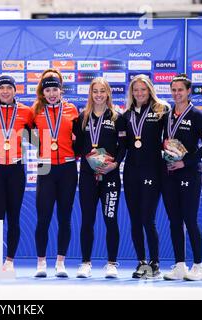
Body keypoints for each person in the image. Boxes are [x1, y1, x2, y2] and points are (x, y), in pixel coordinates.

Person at [161, 74, 202, 281]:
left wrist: (186, 162)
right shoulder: (167, 116)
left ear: (188, 91)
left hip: (190, 173)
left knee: (190, 220)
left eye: (180, 90)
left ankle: (198, 266)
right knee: (174, 221)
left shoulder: (197, 115)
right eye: (173, 90)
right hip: (169, 174)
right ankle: (180, 265)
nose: (176, 93)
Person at [74, 77, 127, 278]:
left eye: (102, 91)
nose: (98, 95)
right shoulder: (83, 118)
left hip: (110, 176)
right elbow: (78, 147)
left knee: (110, 219)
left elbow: (124, 146)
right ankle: (85, 263)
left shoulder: (117, 118)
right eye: (95, 91)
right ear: (90, 94)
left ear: (108, 94)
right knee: (87, 220)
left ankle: (112, 263)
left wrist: (115, 164)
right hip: (88, 176)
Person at [0, 75, 34, 272]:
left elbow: (36, 135)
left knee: (14, 216)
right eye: (1, 88)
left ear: (15, 90)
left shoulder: (26, 112)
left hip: (16, 169)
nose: (5, 91)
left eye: (8, 88)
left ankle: (9, 261)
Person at [32, 69, 79, 278]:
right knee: (43, 217)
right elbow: (24, 134)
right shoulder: (35, 111)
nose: (52, 93)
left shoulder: (72, 110)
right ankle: (41, 262)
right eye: (48, 90)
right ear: (43, 92)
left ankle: (61, 262)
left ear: (61, 90)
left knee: (64, 217)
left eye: (55, 89)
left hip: (68, 166)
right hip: (45, 167)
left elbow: (80, 138)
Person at [123, 75, 169, 279]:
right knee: (134, 219)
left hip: (153, 170)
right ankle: (141, 262)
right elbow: (122, 145)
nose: (139, 93)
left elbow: (171, 138)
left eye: (143, 89)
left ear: (149, 90)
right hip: (131, 171)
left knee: (147, 219)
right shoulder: (125, 115)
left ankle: (155, 263)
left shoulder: (161, 111)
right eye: (136, 90)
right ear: (131, 93)